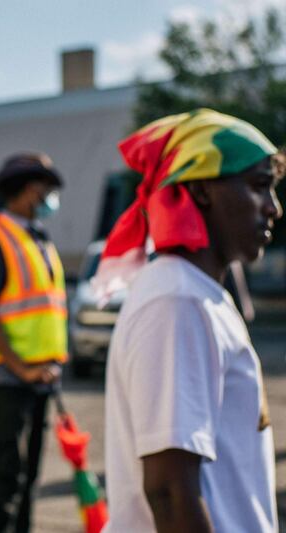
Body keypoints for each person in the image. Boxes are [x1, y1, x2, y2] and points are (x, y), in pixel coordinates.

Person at [96, 109, 283, 533]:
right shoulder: (177, 300)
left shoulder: (199, 294)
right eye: (259, 187)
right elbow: (170, 493)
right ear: (200, 190)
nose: (273, 208)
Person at [0, 153, 67, 533]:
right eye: (45, 190)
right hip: (8, 379)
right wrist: (20, 366)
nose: (49, 198)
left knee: (27, 480)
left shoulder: (37, 238)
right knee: (6, 477)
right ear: (27, 192)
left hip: (40, 377)